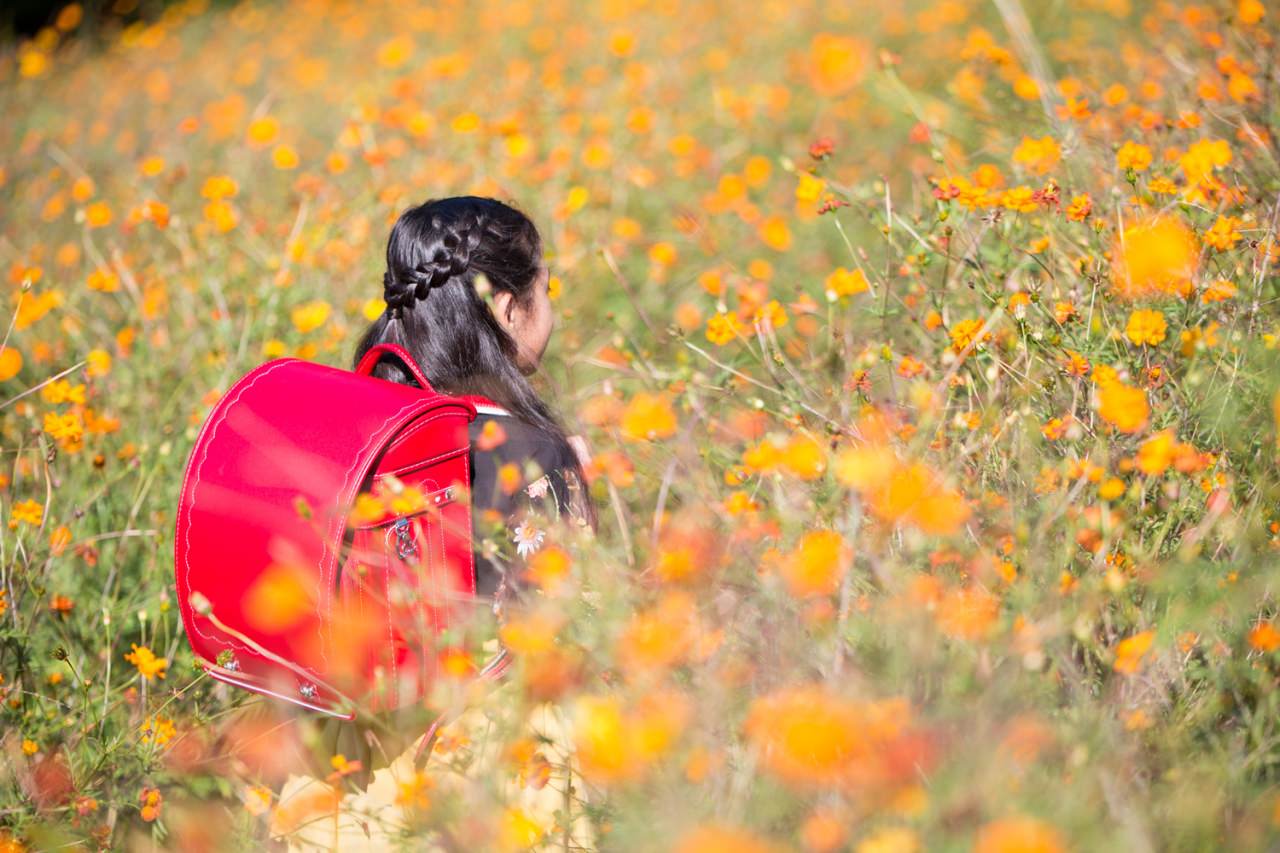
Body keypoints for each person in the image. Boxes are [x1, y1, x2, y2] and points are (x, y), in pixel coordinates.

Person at [351, 195, 597, 613]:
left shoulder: (364, 412)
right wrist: (572, 495)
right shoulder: (532, 454)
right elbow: (568, 628)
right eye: (545, 288)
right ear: (507, 311)